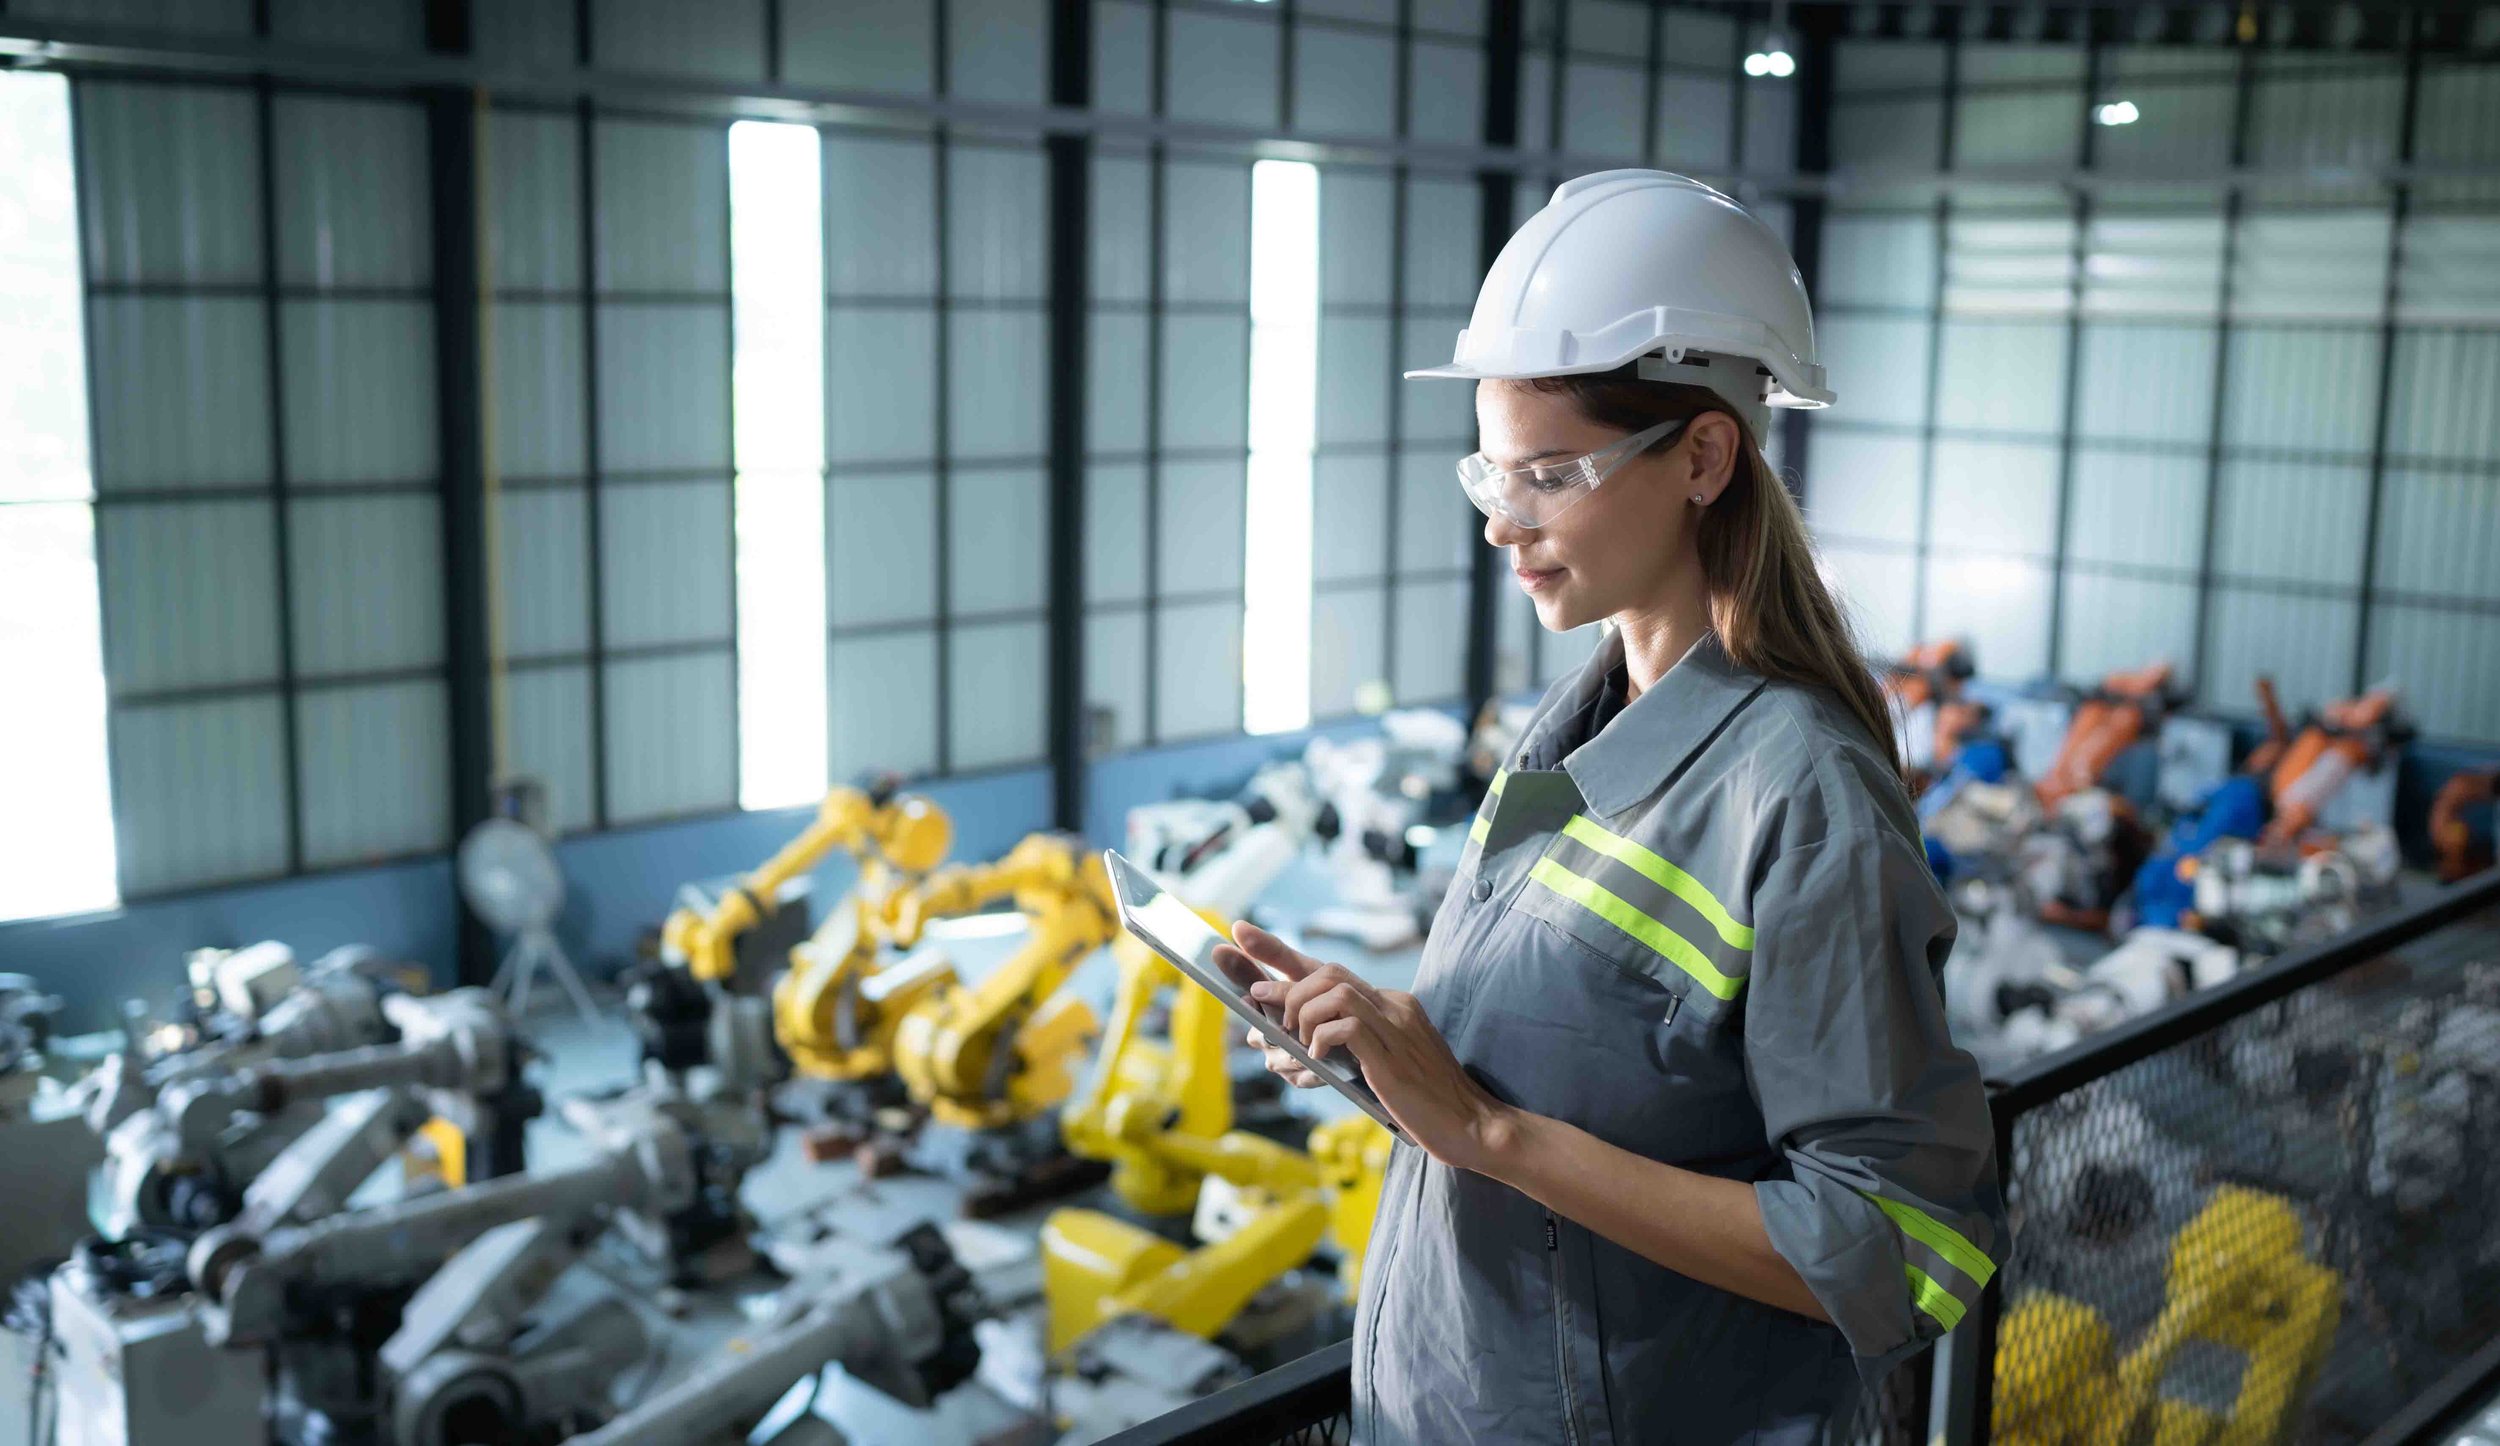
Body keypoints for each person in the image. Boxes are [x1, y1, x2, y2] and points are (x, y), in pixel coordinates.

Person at [1216, 170, 2006, 1445]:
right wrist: (1386, 1054)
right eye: (1491, 474)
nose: (1501, 526)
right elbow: (1570, 1077)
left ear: (1703, 456)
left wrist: (1485, 1130)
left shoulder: (1799, 797)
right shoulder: (1573, 733)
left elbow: (1899, 1245)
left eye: (1552, 475)